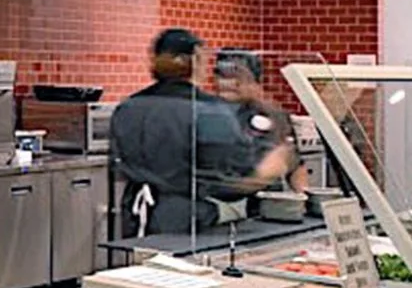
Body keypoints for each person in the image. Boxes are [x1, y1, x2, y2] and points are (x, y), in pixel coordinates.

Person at [108, 28, 260, 237]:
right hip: (189, 221)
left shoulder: (128, 106)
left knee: (141, 269)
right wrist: (267, 171)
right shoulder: (209, 110)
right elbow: (233, 178)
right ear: (196, 59)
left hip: (136, 214)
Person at [212, 48, 310, 194]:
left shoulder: (276, 116)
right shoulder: (206, 115)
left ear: (256, 81)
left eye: (238, 76)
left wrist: (304, 197)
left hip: (269, 204)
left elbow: (296, 166)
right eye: (223, 76)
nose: (230, 83)